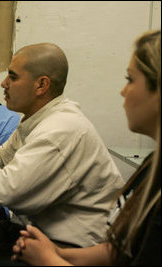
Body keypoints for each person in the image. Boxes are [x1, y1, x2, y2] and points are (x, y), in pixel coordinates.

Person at [0, 43, 124, 250]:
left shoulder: (58, 130)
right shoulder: (40, 119)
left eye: (13, 77)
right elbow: (2, 156)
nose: (4, 83)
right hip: (39, 231)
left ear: (41, 85)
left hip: (70, 247)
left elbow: (8, 189)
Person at [12, 30, 161, 266]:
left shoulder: (62, 126)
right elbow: (118, 252)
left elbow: (11, 190)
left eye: (130, 80)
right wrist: (57, 253)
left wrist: (48, 259)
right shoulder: (153, 165)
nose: (123, 91)